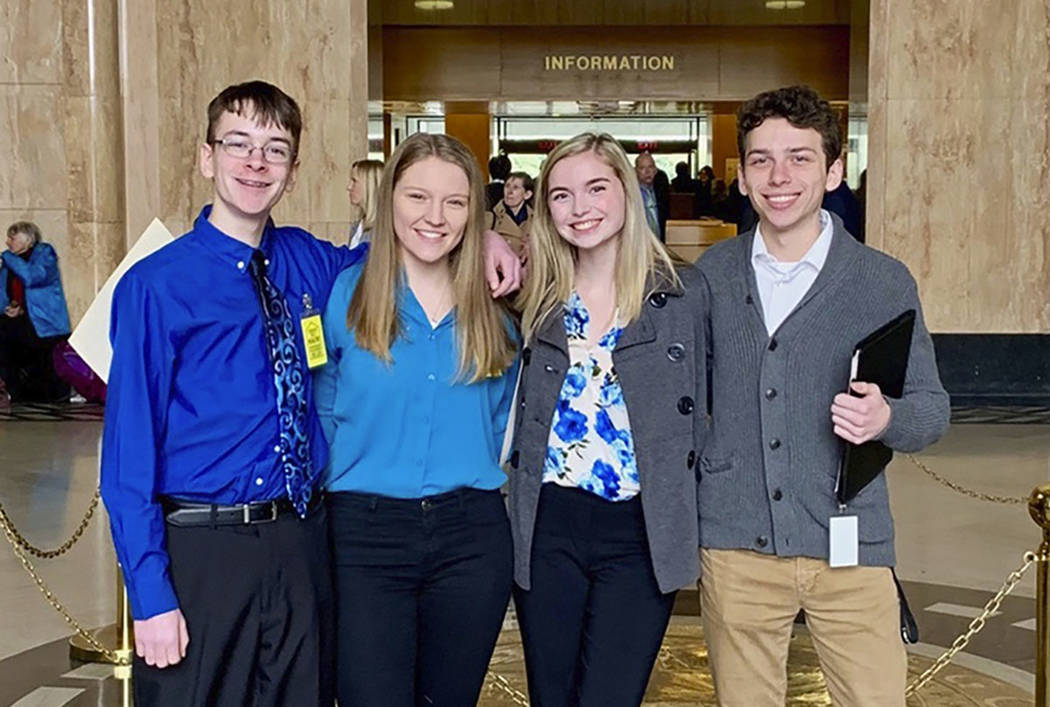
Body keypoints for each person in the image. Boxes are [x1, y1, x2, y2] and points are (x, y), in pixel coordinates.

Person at [100, 80, 522, 707]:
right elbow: (126, 459)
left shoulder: (309, 263)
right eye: (237, 144)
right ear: (206, 157)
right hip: (204, 546)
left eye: (274, 149)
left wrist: (483, 234)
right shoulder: (156, 285)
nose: (255, 162)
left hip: (301, 539)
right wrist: (151, 595)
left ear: (293, 171)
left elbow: (406, 247)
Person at [695, 85, 949, 707]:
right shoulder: (709, 278)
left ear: (834, 169)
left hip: (852, 547)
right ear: (743, 175)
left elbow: (931, 409)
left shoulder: (881, 281)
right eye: (761, 160)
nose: (779, 177)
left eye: (800, 158)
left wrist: (887, 415)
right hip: (736, 547)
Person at [315, 133, 518, 706]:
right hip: (363, 534)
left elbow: (500, 416)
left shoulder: (497, 309)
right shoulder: (345, 296)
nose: (435, 217)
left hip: (470, 537)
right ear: (389, 201)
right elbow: (325, 406)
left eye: (455, 202)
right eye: (417, 197)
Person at [508, 132, 706, 706]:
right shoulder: (531, 293)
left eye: (596, 188)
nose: (580, 208)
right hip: (548, 525)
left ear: (627, 189)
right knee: (553, 695)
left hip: (640, 529)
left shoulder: (682, 292)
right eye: (562, 195)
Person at [0, 221, 71, 404]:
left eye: (12, 238)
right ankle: (17, 394)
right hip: (19, 320)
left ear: (25, 239)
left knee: (46, 369)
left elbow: (32, 277)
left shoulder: (44, 253)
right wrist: (7, 307)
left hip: (44, 323)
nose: (8, 243)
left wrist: (8, 256)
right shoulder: (10, 263)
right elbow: (2, 291)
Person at [490, 170, 534, 259]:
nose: (509, 192)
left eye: (515, 187)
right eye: (507, 186)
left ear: (527, 194)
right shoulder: (490, 218)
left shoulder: (537, 221)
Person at [347, 158, 383, 248]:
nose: (349, 187)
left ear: (369, 185)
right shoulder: (356, 227)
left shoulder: (383, 229)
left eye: (354, 181)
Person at [634, 152, 669, 242]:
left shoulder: (661, 192)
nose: (647, 172)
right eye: (642, 168)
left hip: (660, 245)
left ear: (655, 170)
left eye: (650, 167)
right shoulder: (631, 194)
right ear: (635, 171)